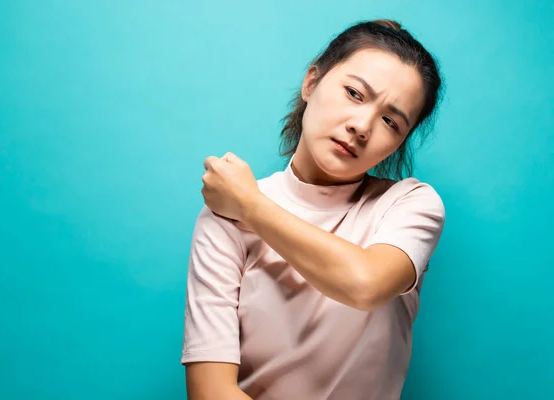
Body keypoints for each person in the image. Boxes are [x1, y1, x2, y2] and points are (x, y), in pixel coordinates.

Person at [181, 19, 445, 400]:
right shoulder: (224, 217)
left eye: (391, 121)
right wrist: (243, 206)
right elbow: (210, 392)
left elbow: (364, 284)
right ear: (311, 82)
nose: (362, 126)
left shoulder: (409, 205)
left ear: (399, 142)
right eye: (354, 93)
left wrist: (252, 207)